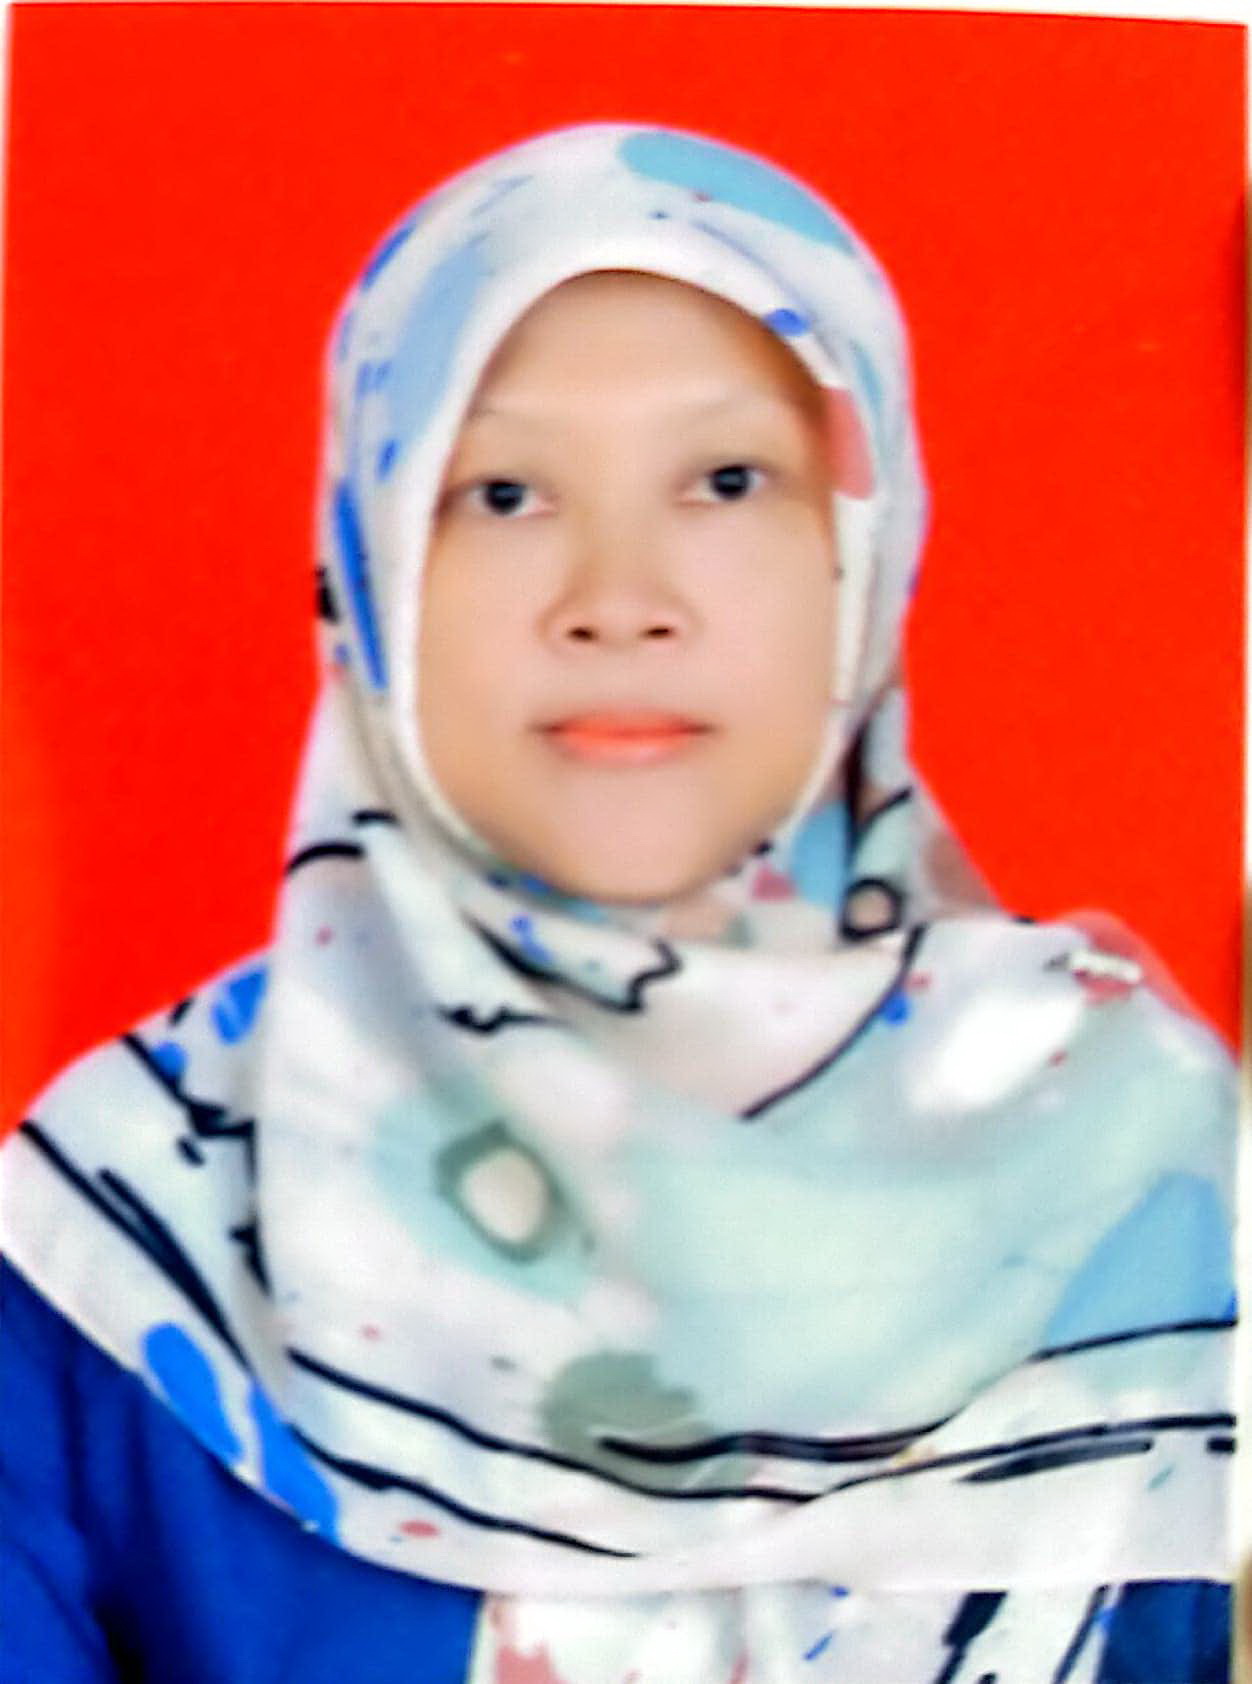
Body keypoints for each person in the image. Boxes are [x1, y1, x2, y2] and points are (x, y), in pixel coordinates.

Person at [0, 122, 1236, 1683]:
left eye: (726, 480)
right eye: (504, 491)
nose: (618, 599)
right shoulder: (124, 1226)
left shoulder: (1148, 1165)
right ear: (368, 566)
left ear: (866, 545)